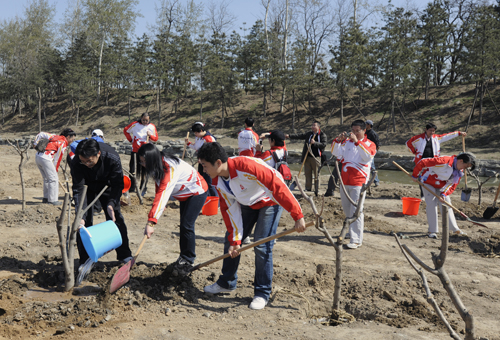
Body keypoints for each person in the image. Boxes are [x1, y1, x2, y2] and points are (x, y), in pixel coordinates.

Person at [197, 142, 306, 310]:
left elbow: (277, 185)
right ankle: (227, 282)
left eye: (204, 165)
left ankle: (262, 293)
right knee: (230, 243)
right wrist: (235, 240)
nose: (203, 170)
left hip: (269, 202)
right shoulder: (217, 180)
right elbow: (229, 208)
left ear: (218, 163)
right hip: (246, 204)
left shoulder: (246, 166)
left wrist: (297, 215)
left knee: (262, 246)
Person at [138, 143, 208, 270]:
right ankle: (184, 256)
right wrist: (160, 205)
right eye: (141, 162)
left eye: (144, 162)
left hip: (197, 191)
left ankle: (188, 259)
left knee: (187, 225)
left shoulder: (170, 167)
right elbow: (159, 185)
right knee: (183, 225)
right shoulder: (158, 163)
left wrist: (151, 222)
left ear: (152, 159)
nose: (142, 165)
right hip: (184, 194)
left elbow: (163, 192)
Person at [71, 138, 132, 266]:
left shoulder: (112, 158)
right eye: (83, 162)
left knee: (116, 217)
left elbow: (118, 184)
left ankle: (124, 255)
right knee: (82, 224)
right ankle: (85, 260)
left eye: (89, 161)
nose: (86, 164)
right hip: (86, 187)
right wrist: (80, 214)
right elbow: (78, 188)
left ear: (98, 154)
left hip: (108, 186)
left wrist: (112, 202)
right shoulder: (77, 162)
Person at [331, 120, 376, 249]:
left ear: (364, 131)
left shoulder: (369, 144)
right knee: (347, 210)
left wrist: (357, 142)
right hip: (344, 181)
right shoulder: (347, 143)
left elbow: (367, 156)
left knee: (356, 211)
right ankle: (351, 232)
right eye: (353, 130)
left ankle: (356, 240)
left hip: (359, 182)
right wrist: (338, 140)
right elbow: (335, 152)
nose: (354, 133)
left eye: (358, 131)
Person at [412, 153, 475, 238]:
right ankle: (432, 231)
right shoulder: (443, 161)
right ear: (461, 161)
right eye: (466, 166)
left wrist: (444, 193)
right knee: (431, 203)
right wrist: (415, 175)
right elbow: (423, 162)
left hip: (441, 184)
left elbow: (452, 184)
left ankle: (455, 229)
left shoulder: (459, 171)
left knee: (446, 203)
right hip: (428, 182)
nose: (465, 169)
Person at [406, 123, 466, 198]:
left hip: (433, 163)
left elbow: (447, 136)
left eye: (433, 131)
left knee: (432, 177)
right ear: (426, 130)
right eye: (430, 130)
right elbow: (408, 143)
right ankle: (423, 195)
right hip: (421, 162)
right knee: (421, 178)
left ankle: (435, 193)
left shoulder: (437, 138)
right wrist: (414, 152)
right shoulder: (418, 138)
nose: (432, 132)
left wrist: (458, 133)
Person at [34, 128, 76, 205]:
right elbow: (57, 159)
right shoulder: (63, 143)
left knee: (46, 178)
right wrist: (55, 170)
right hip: (46, 158)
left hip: (38, 157)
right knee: (53, 179)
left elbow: (41, 134)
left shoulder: (53, 136)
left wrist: (35, 143)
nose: (72, 141)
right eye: (72, 139)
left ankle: (46, 198)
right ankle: (53, 200)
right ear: (68, 137)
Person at [286, 121, 327, 193]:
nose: (312, 127)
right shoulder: (309, 134)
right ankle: (308, 188)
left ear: (318, 127)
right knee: (307, 173)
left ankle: (317, 189)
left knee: (316, 173)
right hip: (307, 157)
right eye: (312, 125)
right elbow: (300, 136)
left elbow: (323, 145)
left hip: (316, 157)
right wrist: (289, 136)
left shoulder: (322, 135)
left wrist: (315, 143)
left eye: (314, 126)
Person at [123, 113, 159, 195]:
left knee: (145, 171)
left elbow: (156, 138)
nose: (145, 122)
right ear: (141, 118)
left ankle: (143, 188)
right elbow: (126, 130)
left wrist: (150, 136)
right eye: (143, 120)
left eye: (147, 120)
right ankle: (132, 188)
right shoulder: (135, 124)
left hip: (146, 152)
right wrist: (130, 140)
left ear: (149, 120)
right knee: (132, 170)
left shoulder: (152, 127)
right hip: (135, 151)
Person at [185, 122, 217, 197]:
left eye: (196, 132)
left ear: (201, 131)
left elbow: (212, 152)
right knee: (202, 180)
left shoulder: (209, 139)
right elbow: (196, 147)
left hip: (209, 163)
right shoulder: (199, 138)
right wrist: (188, 143)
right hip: (201, 162)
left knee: (209, 182)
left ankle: (214, 198)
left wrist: (204, 159)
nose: (195, 134)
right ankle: (205, 196)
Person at [365, 120, 380, 187]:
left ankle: (376, 181)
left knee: (372, 165)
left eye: (366, 124)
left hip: (371, 151)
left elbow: (378, 144)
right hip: (365, 151)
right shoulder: (364, 132)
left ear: (369, 125)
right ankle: (366, 180)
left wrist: (374, 152)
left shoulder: (373, 133)